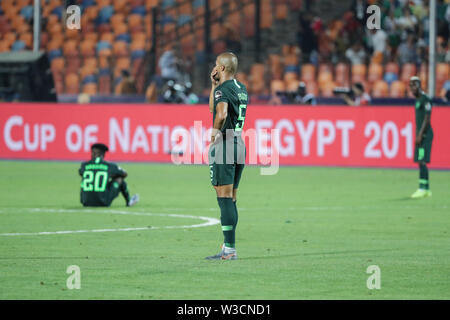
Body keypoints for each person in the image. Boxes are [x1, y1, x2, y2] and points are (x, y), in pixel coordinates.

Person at [206, 52, 248, 260]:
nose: (214, 68)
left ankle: (229, 250)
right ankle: (228, 246)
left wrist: (213, 135)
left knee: (223, 197)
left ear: (222, 68)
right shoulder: (241, 88)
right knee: (231, 198)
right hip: (239, 143)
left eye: (216, 65)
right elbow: (217, 109)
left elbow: (220, 115)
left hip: (225, 144)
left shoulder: (224, 89)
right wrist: (214, 86)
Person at [409, 76, 433, 199]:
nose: (413, 88)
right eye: (411, 86)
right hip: (421, 135)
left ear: (419, 85)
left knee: (421, 160)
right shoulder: (418, 100)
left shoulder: (425, 99)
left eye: (414, 85)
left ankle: (422, 188)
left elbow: (427, 119)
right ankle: (426, 188)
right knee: (420, 161)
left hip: (425, 136)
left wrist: (420, 135)